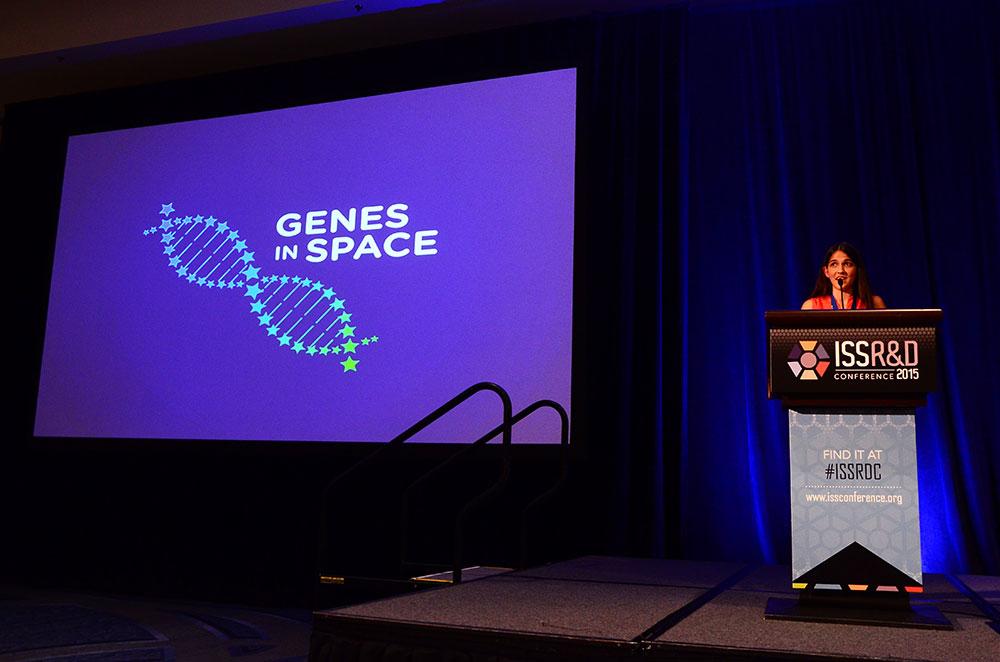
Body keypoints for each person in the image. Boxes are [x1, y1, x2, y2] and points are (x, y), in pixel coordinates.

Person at [801, 242, 886, 310]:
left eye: (847, 264)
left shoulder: (874, 303)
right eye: (834, 264)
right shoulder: (811, 306)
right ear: (826, 272)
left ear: (857, 270)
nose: (841, 270)